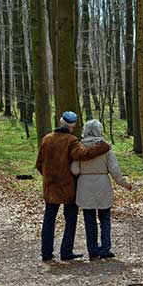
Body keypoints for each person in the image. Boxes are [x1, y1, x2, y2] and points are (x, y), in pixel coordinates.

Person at [36, 111, 111, 262]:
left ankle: (46, 253)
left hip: (50, 187)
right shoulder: (71, 141)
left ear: (60, 122)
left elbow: (39, 164)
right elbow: (83, 155)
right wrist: (103, 147)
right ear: (72, 126)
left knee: (49, 219)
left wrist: (49, 177)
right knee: (70, 219)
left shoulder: (46, 139)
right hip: (68, 187)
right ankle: (66, 251)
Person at [70, 119, 132, 260]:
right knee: (105, 218)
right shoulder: (105, 148)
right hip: (102, 185)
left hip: (85, 185)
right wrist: (124, 183)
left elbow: (74, 169)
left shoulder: (80, 148)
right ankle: (105, 248)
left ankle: (92, 250)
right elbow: (114, 170)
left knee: (89, 219)